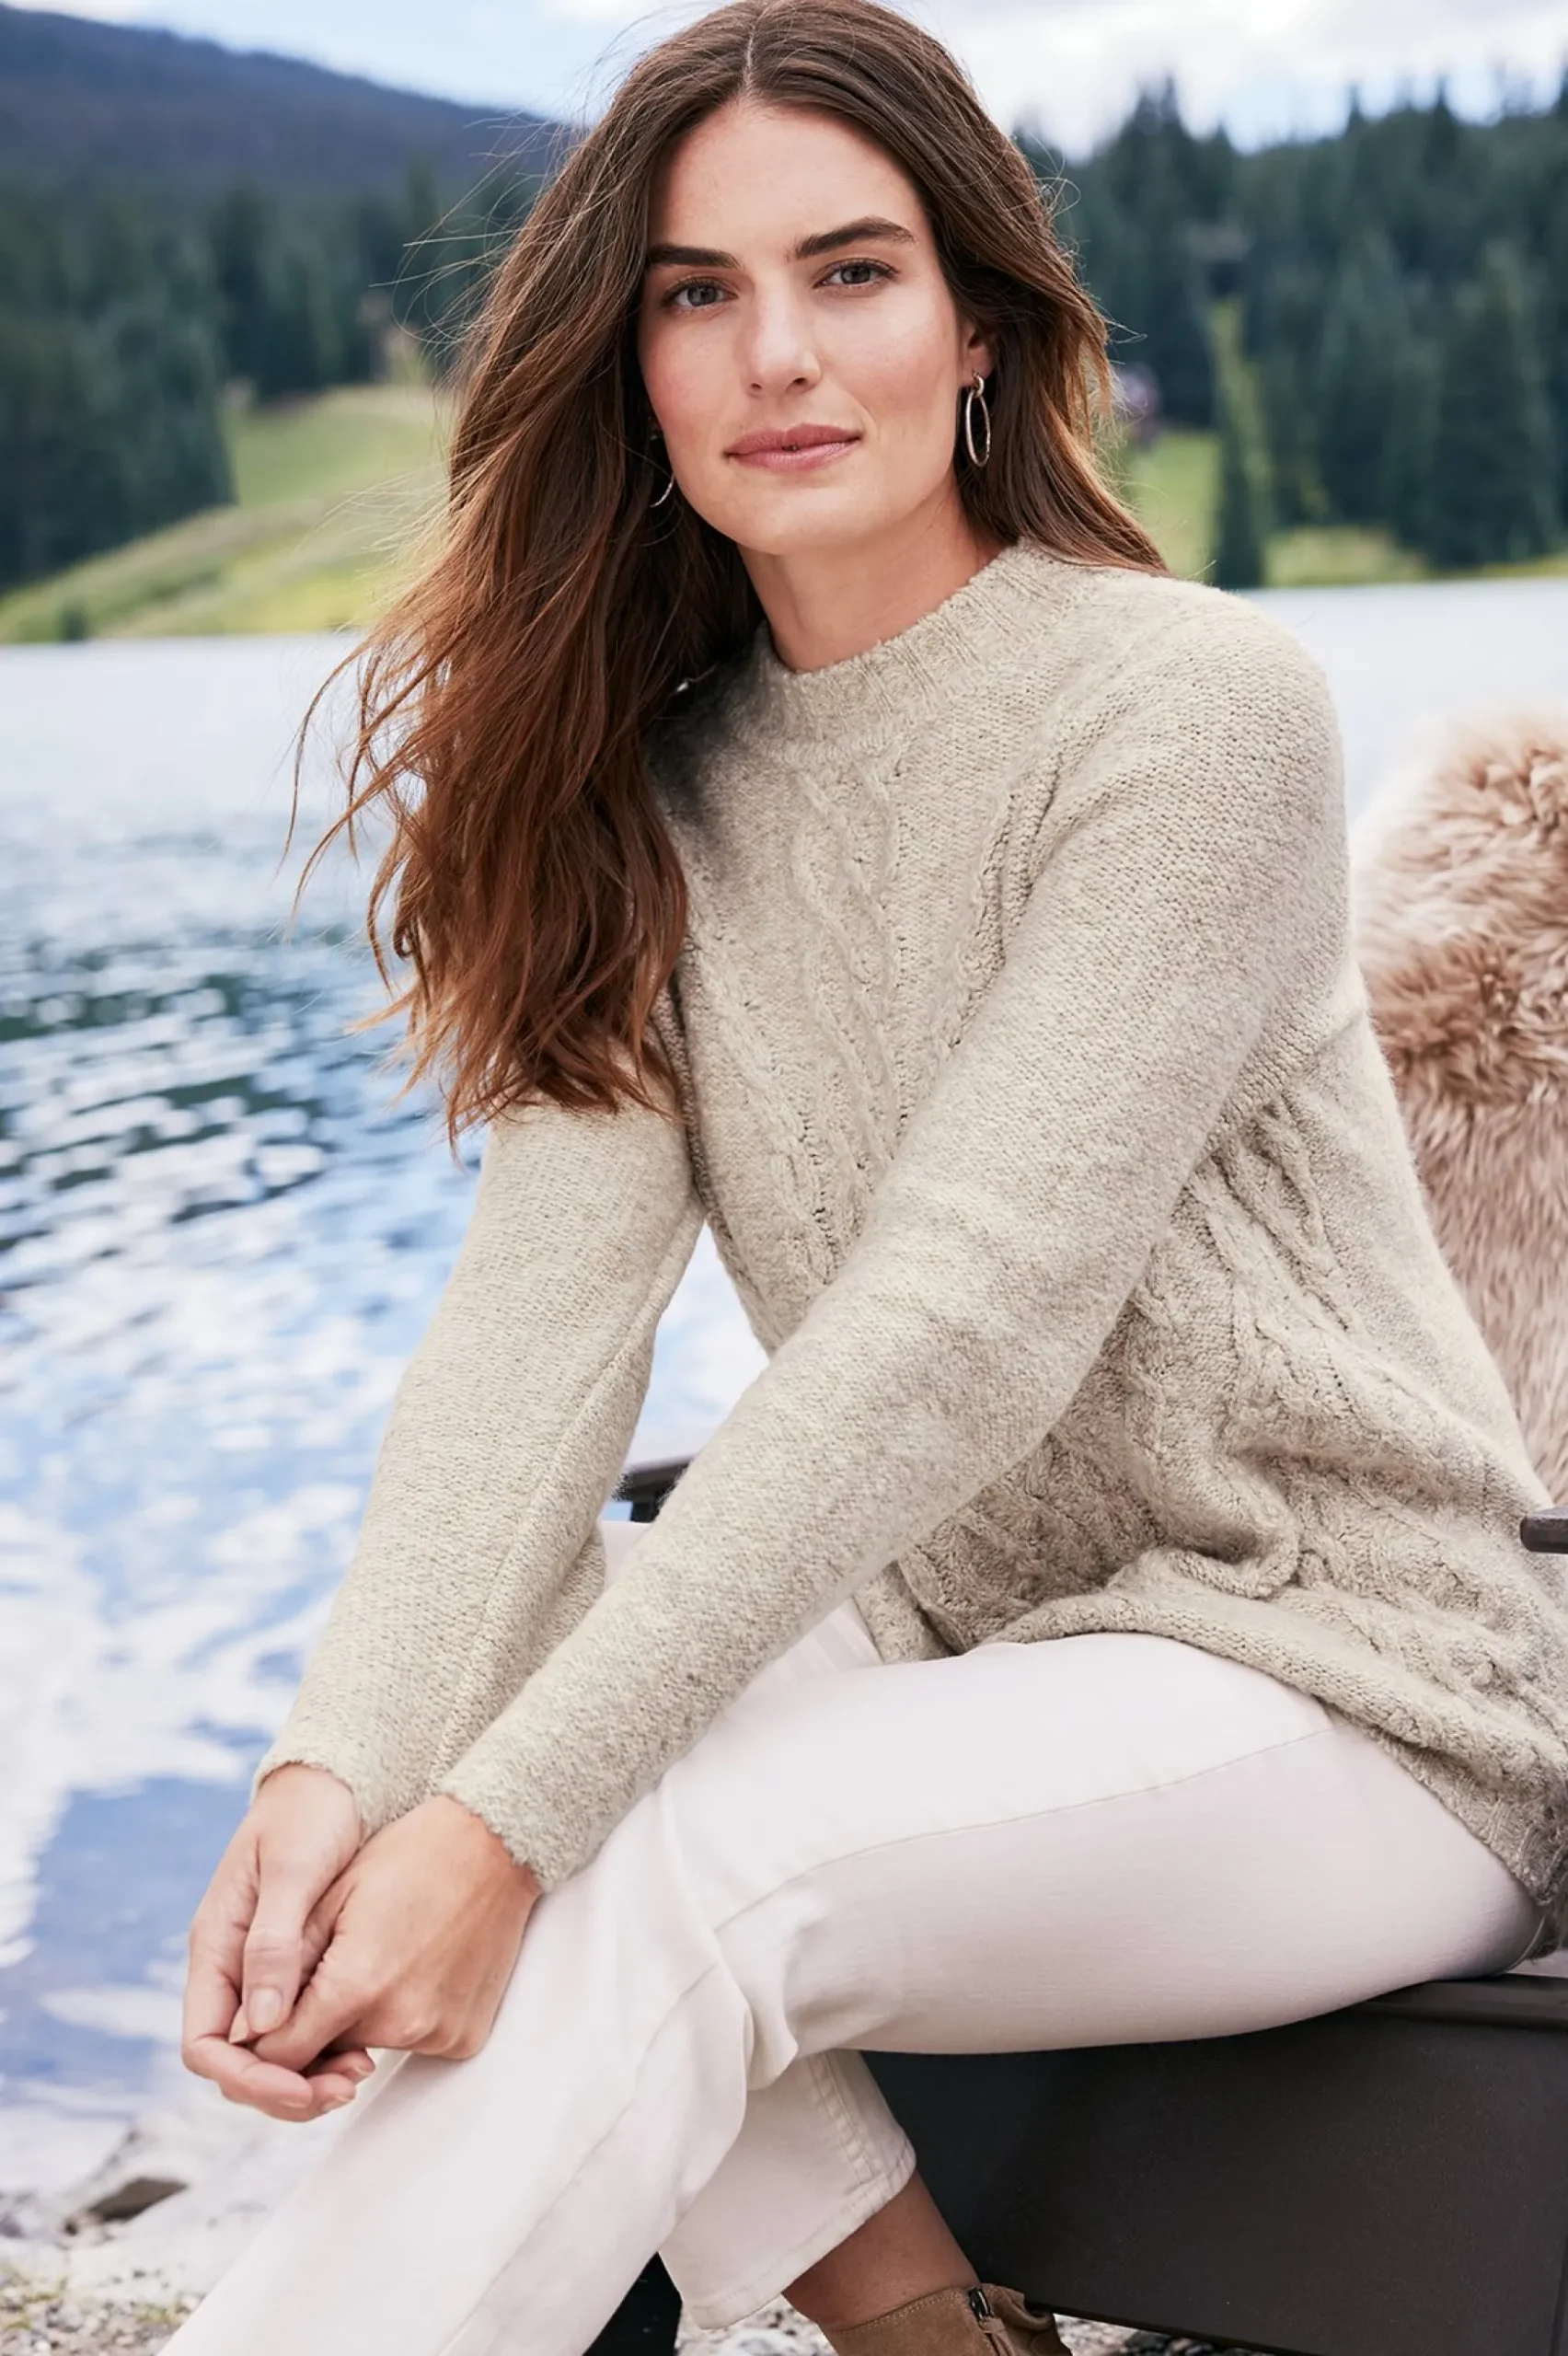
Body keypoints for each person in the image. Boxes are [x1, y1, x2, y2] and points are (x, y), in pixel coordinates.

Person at [169, 4, 1568, 2351]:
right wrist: (342, 1775)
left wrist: (496, 1826)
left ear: (980, 327)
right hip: (984, 1647)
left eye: (852, 271)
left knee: (651, 1844)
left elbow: (965, 1315)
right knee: (518, 1705)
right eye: (697, 293)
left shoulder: (1190, 709)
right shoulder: (655, 796)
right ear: (630, 364)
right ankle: (938, 2333)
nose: (778, 356)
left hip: (1364, 1690)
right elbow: (528, 1341)